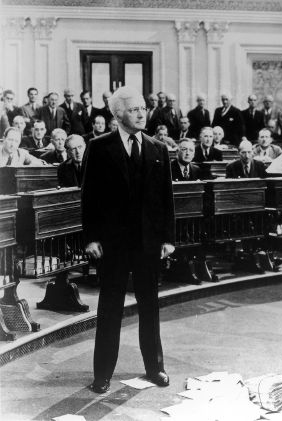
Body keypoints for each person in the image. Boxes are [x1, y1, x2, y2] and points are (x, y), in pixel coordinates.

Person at [81, 85, 175, 394]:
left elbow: (166, 198)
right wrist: (91, 238)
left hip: (148, 244)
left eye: (143, 108)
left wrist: (168, 238)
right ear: (118, 113)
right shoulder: (99, 147)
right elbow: (89, 197)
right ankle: (102, 374)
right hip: (113, 244)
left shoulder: (158, 148)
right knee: (110, 309)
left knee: (150, 307)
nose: (141, 113)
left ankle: (155, 367)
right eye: (134, 109)